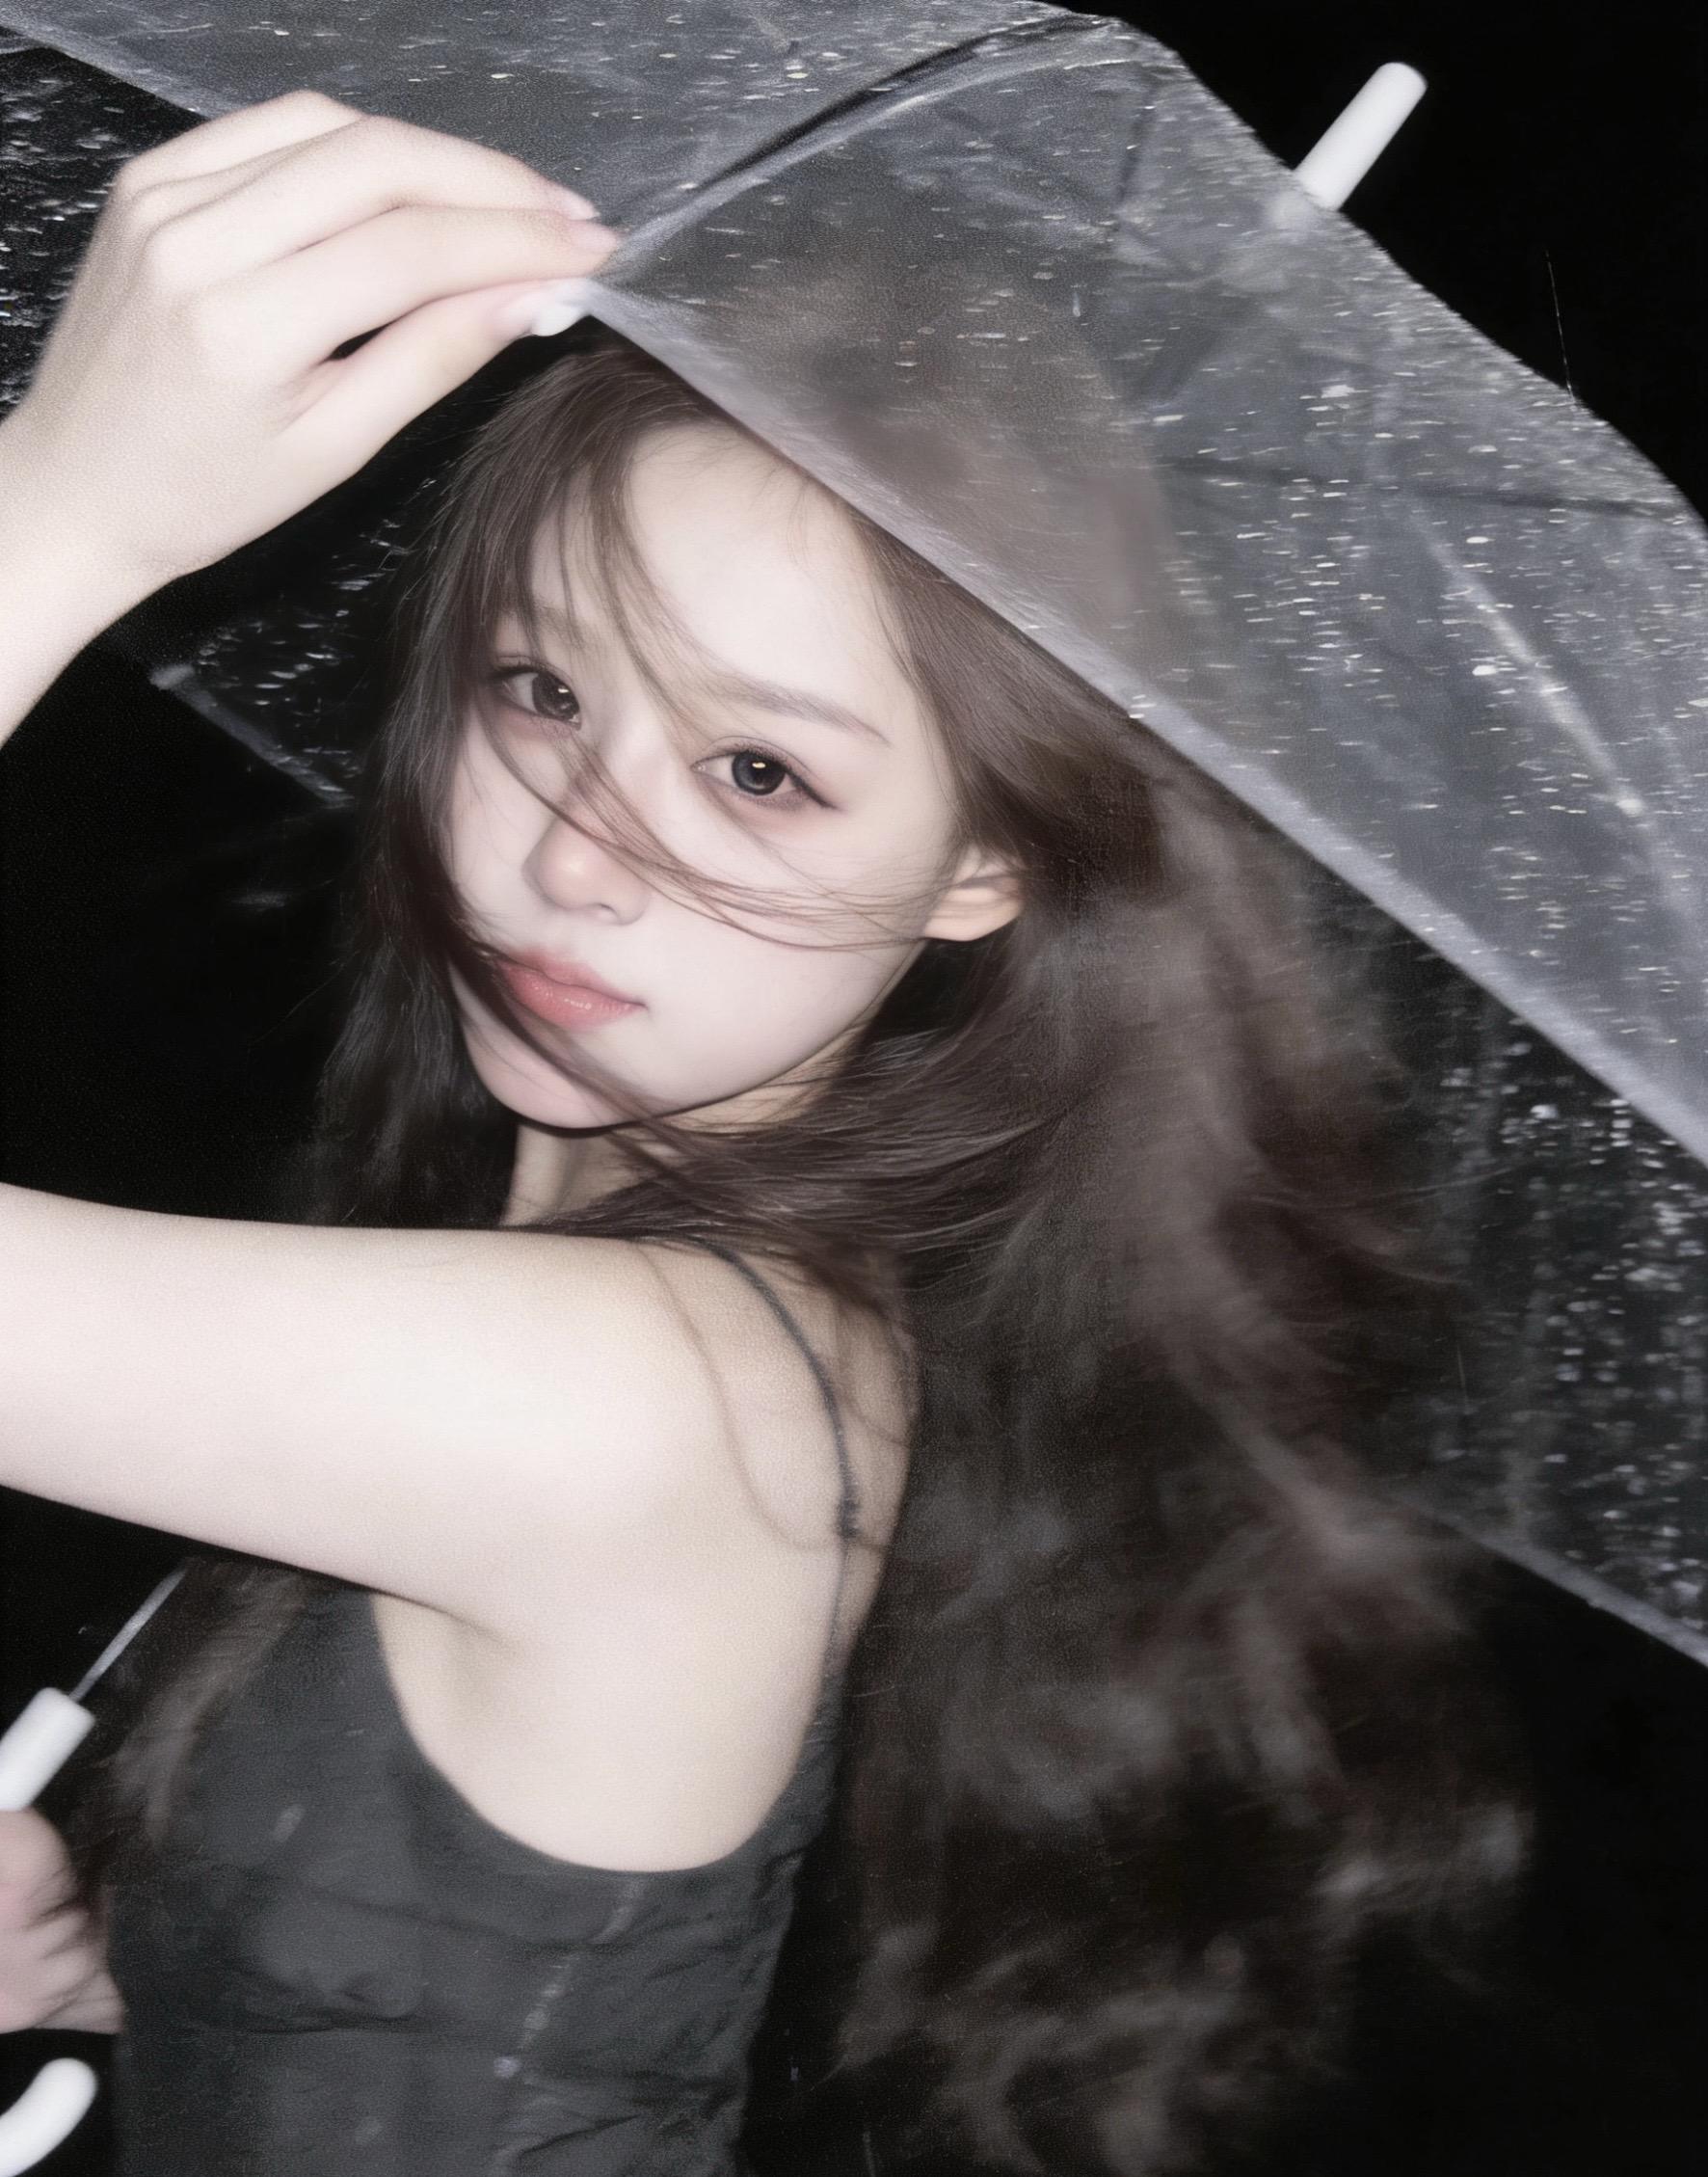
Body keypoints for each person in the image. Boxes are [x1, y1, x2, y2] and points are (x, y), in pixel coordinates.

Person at [0, 88, 1523, 2177]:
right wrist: (156, 1946)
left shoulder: (651, 1398)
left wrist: (62, 509)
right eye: (543, 691)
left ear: (984, 862)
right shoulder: (646, 1324)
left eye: (759, 773)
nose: (574, 855)